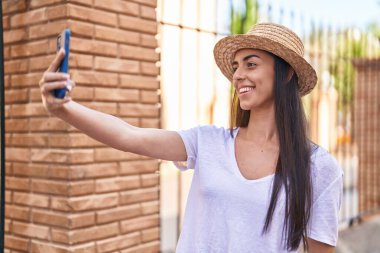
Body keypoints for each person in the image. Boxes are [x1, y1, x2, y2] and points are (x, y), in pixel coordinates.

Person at [39, 23, 343, 253]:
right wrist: (65, 108)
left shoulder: (320, 168)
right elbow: (128, 135)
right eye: (236, 67)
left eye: (251, 64)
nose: (238, 75)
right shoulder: (208, 143)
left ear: (286, 73)